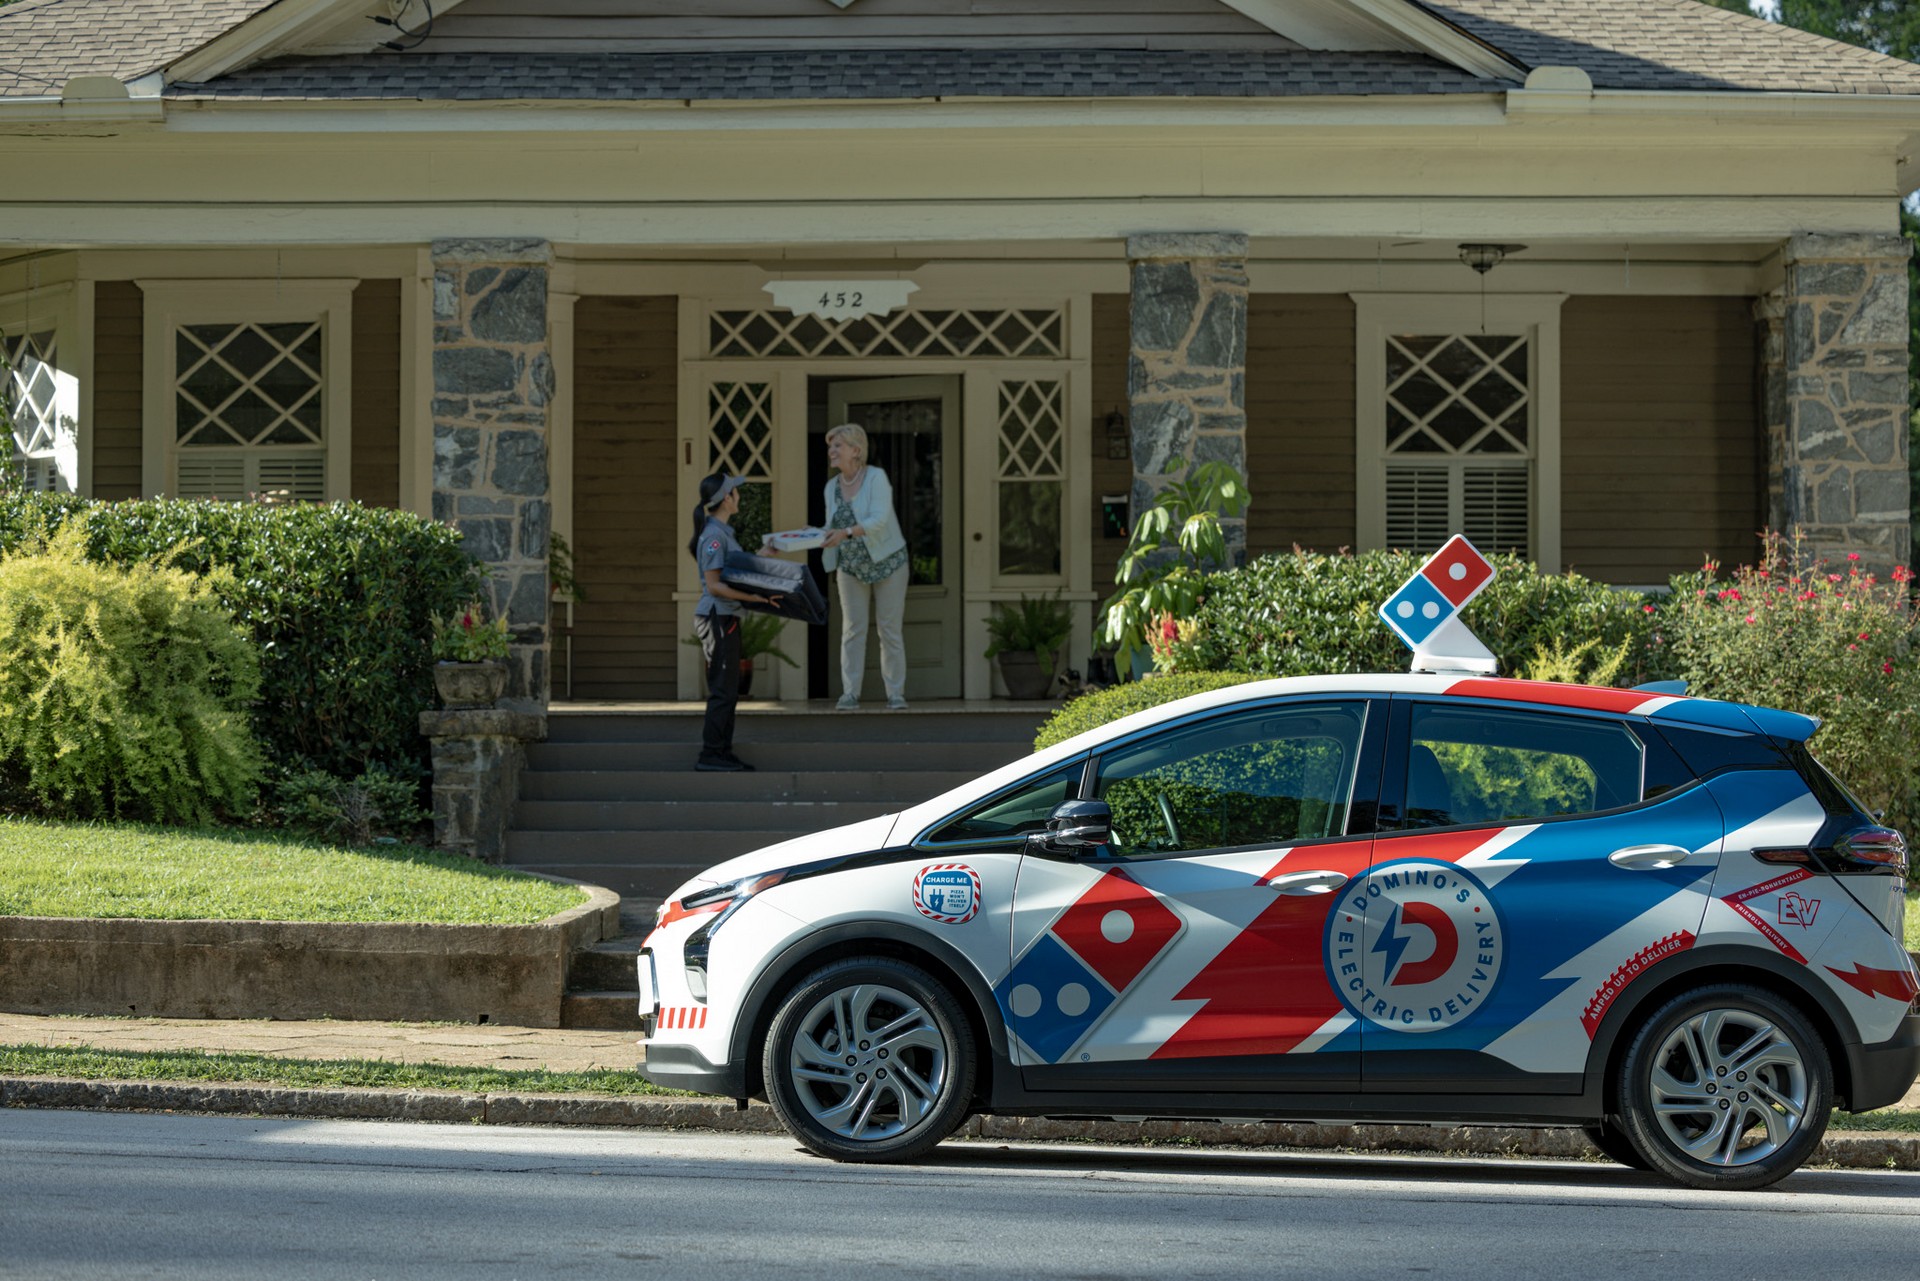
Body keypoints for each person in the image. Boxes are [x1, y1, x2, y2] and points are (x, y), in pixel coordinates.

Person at [688, 473, 780, 772]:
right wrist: (755, 598)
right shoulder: (714, 536)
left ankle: (722, 753)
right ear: (727, 498)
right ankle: (711, 754)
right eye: (736, 492)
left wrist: (763, 556)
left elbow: (735, 571)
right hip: (718, 616)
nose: (739, 495)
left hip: (726, 616)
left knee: (728, 689)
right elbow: (715, 585)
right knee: (723, 690)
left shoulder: (723, 533)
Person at [820, 423, 910, 710]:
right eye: (831, 446)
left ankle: (896, 695)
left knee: (889, 630)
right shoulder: (831, 487)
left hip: (889, 563)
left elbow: (879, 520)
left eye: (838, 446)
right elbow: (829, 526)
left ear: (855, 451)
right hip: (851, 567)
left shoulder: (876, 478)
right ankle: (850, 694)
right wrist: (800, 540)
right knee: (852, 630)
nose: (832, 451)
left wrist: (845, 533)